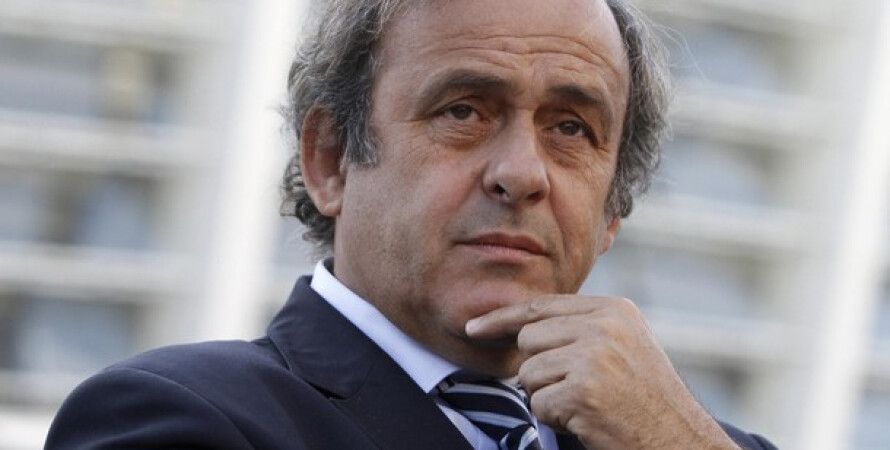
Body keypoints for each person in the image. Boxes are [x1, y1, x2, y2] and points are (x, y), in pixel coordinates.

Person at [46, 0, 778, 449]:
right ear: (330, 159)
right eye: (464, 111)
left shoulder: (688, 439)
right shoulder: (179, 417)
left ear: (613, 207)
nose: (522, 173)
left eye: (570, 129)